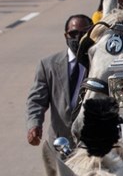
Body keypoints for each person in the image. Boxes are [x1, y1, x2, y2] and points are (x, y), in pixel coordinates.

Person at [26, 14, 93, 146]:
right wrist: (34, 124)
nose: (78, 38)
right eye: (73, 33)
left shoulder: (98, 63)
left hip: (93, 144)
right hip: (61, 143)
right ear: (65, 36)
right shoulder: (48, 65)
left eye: (84, 33)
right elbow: (36, 100)